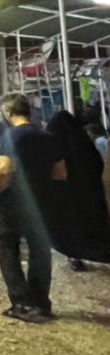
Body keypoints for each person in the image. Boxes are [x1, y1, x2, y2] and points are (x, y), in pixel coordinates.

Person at [0, 94, 67, 322]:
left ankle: (21, 303)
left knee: (6, 246)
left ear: (8, 112)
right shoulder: (47, 137)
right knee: (40, 250)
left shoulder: (11, 136)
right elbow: (60, 173)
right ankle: (41, 302)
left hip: (13, 200)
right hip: (43, 200)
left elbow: (6, 168)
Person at [45, 110, 110, 268]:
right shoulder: (85, 145)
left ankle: (74, 256)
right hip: (91, 194)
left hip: (68, 195)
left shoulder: (56, 148)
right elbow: (98, 165)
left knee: (71, 227)